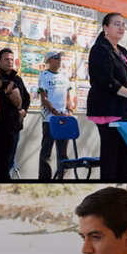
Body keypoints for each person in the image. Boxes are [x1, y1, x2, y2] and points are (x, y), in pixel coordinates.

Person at [87, 14, 127, 181]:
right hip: (108, 109)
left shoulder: (123, 51)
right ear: (105, 28)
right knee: (111, 158)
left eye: (123, 24)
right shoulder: (100, 49)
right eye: (116, 24)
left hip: (126, 109)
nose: (121, 27)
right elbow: (106, 81)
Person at [0, 48, 29, 179]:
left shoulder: (17, 79)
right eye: (6, 59)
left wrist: (23, 111)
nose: (10, 62)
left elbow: (26, 98)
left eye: (12, 59)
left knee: (9, 160)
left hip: (13, 127)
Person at [38, 50, 74, 179]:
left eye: (60, 57)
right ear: (49, 60)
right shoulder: (44, 75)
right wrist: (56, 113)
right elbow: (44, 99)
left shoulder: (64, 76)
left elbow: (68, 97)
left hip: (65, 119)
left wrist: (68, 112)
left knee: (63, 155)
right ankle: (44, 180)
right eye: (56, 57)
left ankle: (61, 179)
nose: (59, 60)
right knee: (46, 154)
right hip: (50, 119)